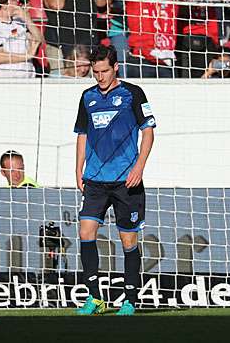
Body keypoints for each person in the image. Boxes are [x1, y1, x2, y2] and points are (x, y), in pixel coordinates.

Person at [74, 45, 156, 316]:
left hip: (126, 180)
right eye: (95, 72)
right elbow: (82, 135)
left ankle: (130, 299)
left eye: (104, 71)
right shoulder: (88, 97)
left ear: (116, 67)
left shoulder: (133, 93)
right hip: (95, 180)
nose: (100, 77)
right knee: (85, 232)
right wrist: (78, 169)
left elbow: (148, 133)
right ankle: (94, 297)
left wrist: (139, 167)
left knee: (128, 240)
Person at [0, 0, 43, 77]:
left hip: (27, 77)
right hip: (4, 80)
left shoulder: (19, 21)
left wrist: (27, 19)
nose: (18, 1)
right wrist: (28, 55)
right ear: (4, 5)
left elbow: (39, 40)